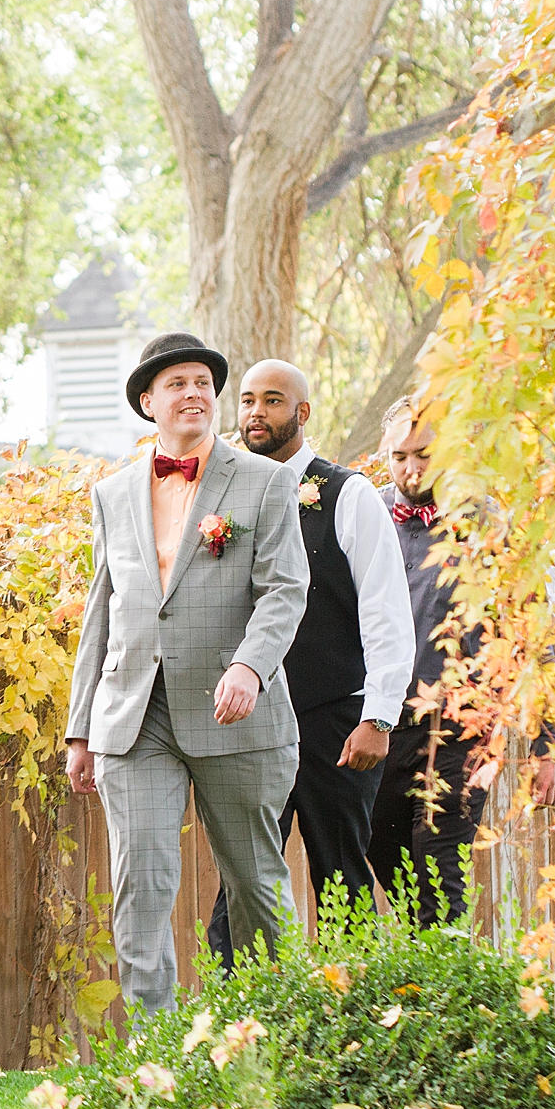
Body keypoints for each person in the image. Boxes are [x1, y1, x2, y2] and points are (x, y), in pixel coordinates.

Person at [64, 332, 309, 1016]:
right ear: (150, 401)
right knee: (140, 881)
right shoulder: (113, 494)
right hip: (136, 717)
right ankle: (156, 1049)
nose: (194, 393)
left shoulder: (264, 481)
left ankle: (284, 1035)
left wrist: (249, 667)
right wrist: (80, 729)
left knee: (256, 883)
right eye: (177, 383)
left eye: (203, 381)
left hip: (238, 713)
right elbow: (100, 613)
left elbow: (286, 589)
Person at [204, 360, 415, 964]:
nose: (255, 414)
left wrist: (378, 716)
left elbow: (386, 612)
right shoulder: (224, 497)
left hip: (335, 723)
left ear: (301, 413)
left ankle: (350, 1033)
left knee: (341, 880)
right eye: (246, 401)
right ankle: (232, 1027)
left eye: (272, 401)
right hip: (251, 724)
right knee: (241, 885)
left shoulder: (347, 495)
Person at [365, 399, 492, 924]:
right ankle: (433, 986)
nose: (412, 469)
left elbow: (526, 621)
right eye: (399, 457)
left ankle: (445, 986)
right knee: (390, 862)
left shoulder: (482, 520)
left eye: (424, 454)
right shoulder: (366, 514)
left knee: (441, 867)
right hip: (380, 722)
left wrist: (543, 743)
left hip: (456, 726)